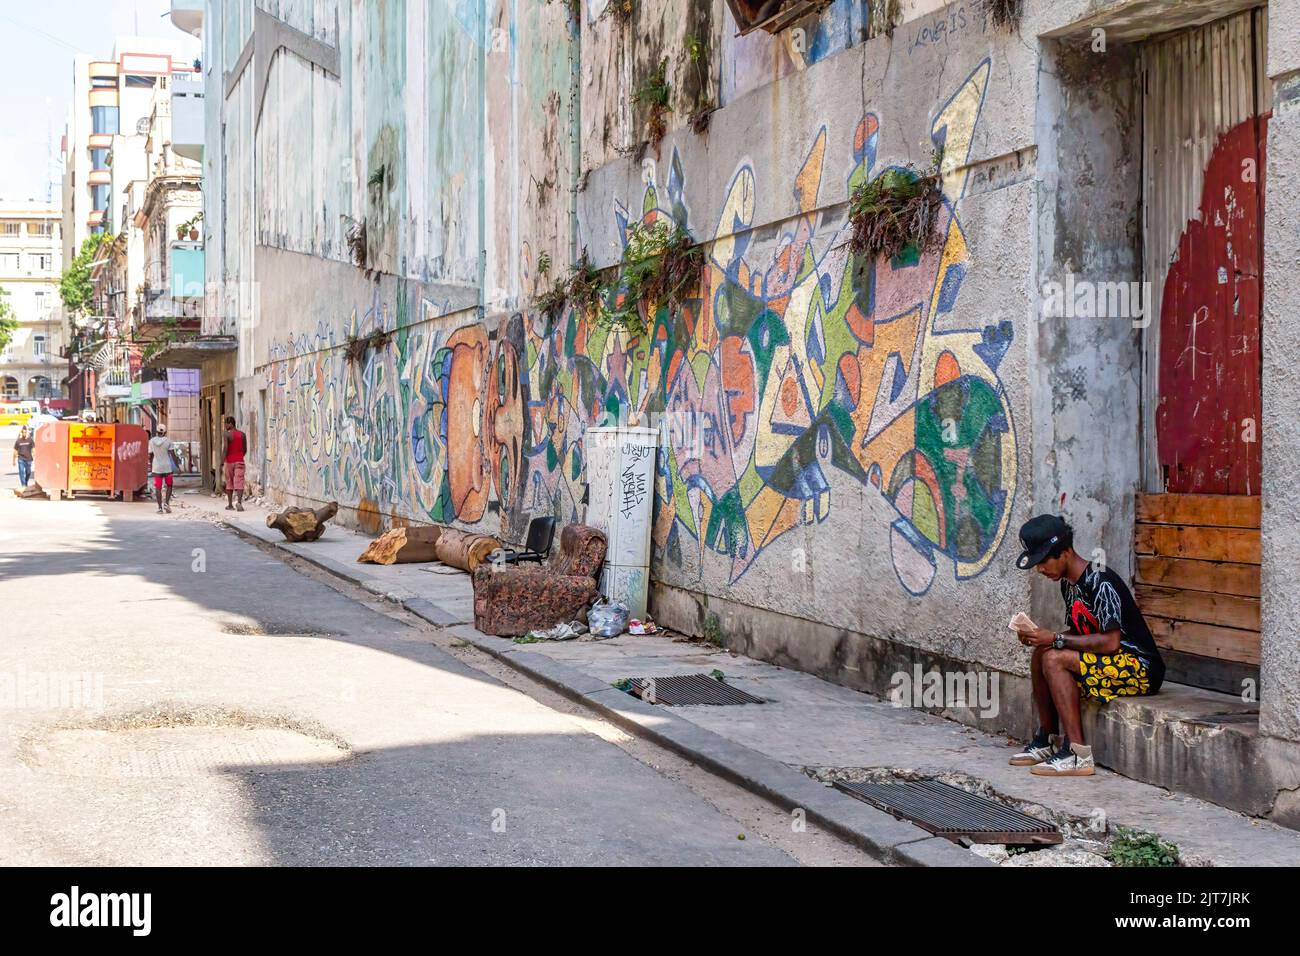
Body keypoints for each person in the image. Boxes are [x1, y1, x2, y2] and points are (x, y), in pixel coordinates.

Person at [1009, 514, 1165, 778]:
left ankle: (1077, 755)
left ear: (1066, 552)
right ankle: (1046, 738)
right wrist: (1042, 638)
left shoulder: (1101, 581)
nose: (1040, 569)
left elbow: (1111, 642)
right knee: (1042, 654)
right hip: (1108, 663)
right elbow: (1080, 632)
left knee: (1053, 658)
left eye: (1044, 561)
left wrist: (1056, 640)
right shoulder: (1069, 586)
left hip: (1138, 667)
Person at [148, 424, 180, 514]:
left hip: (157, 467)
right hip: (167, 467)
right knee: (169, 486)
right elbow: (173, 455)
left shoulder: (151, 441)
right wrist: (177, 466)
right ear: (165, 432)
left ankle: (159, 508)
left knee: (158, 487)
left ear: (157, 431)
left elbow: (151, 455)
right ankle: (166, 503)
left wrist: (152, 464)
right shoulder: (168, 442)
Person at [221, 415, 247, 511]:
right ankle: (239, 502)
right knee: (239, 481)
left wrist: (221, 462)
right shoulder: (242, 434)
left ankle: (230, 505)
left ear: (230, 424)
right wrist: (239, 456)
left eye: (226, 424)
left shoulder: (226, 434)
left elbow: (225, 449)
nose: (225, 426)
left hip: (229, 461)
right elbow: (245, 449)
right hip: (240, 461)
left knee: (229, 482)